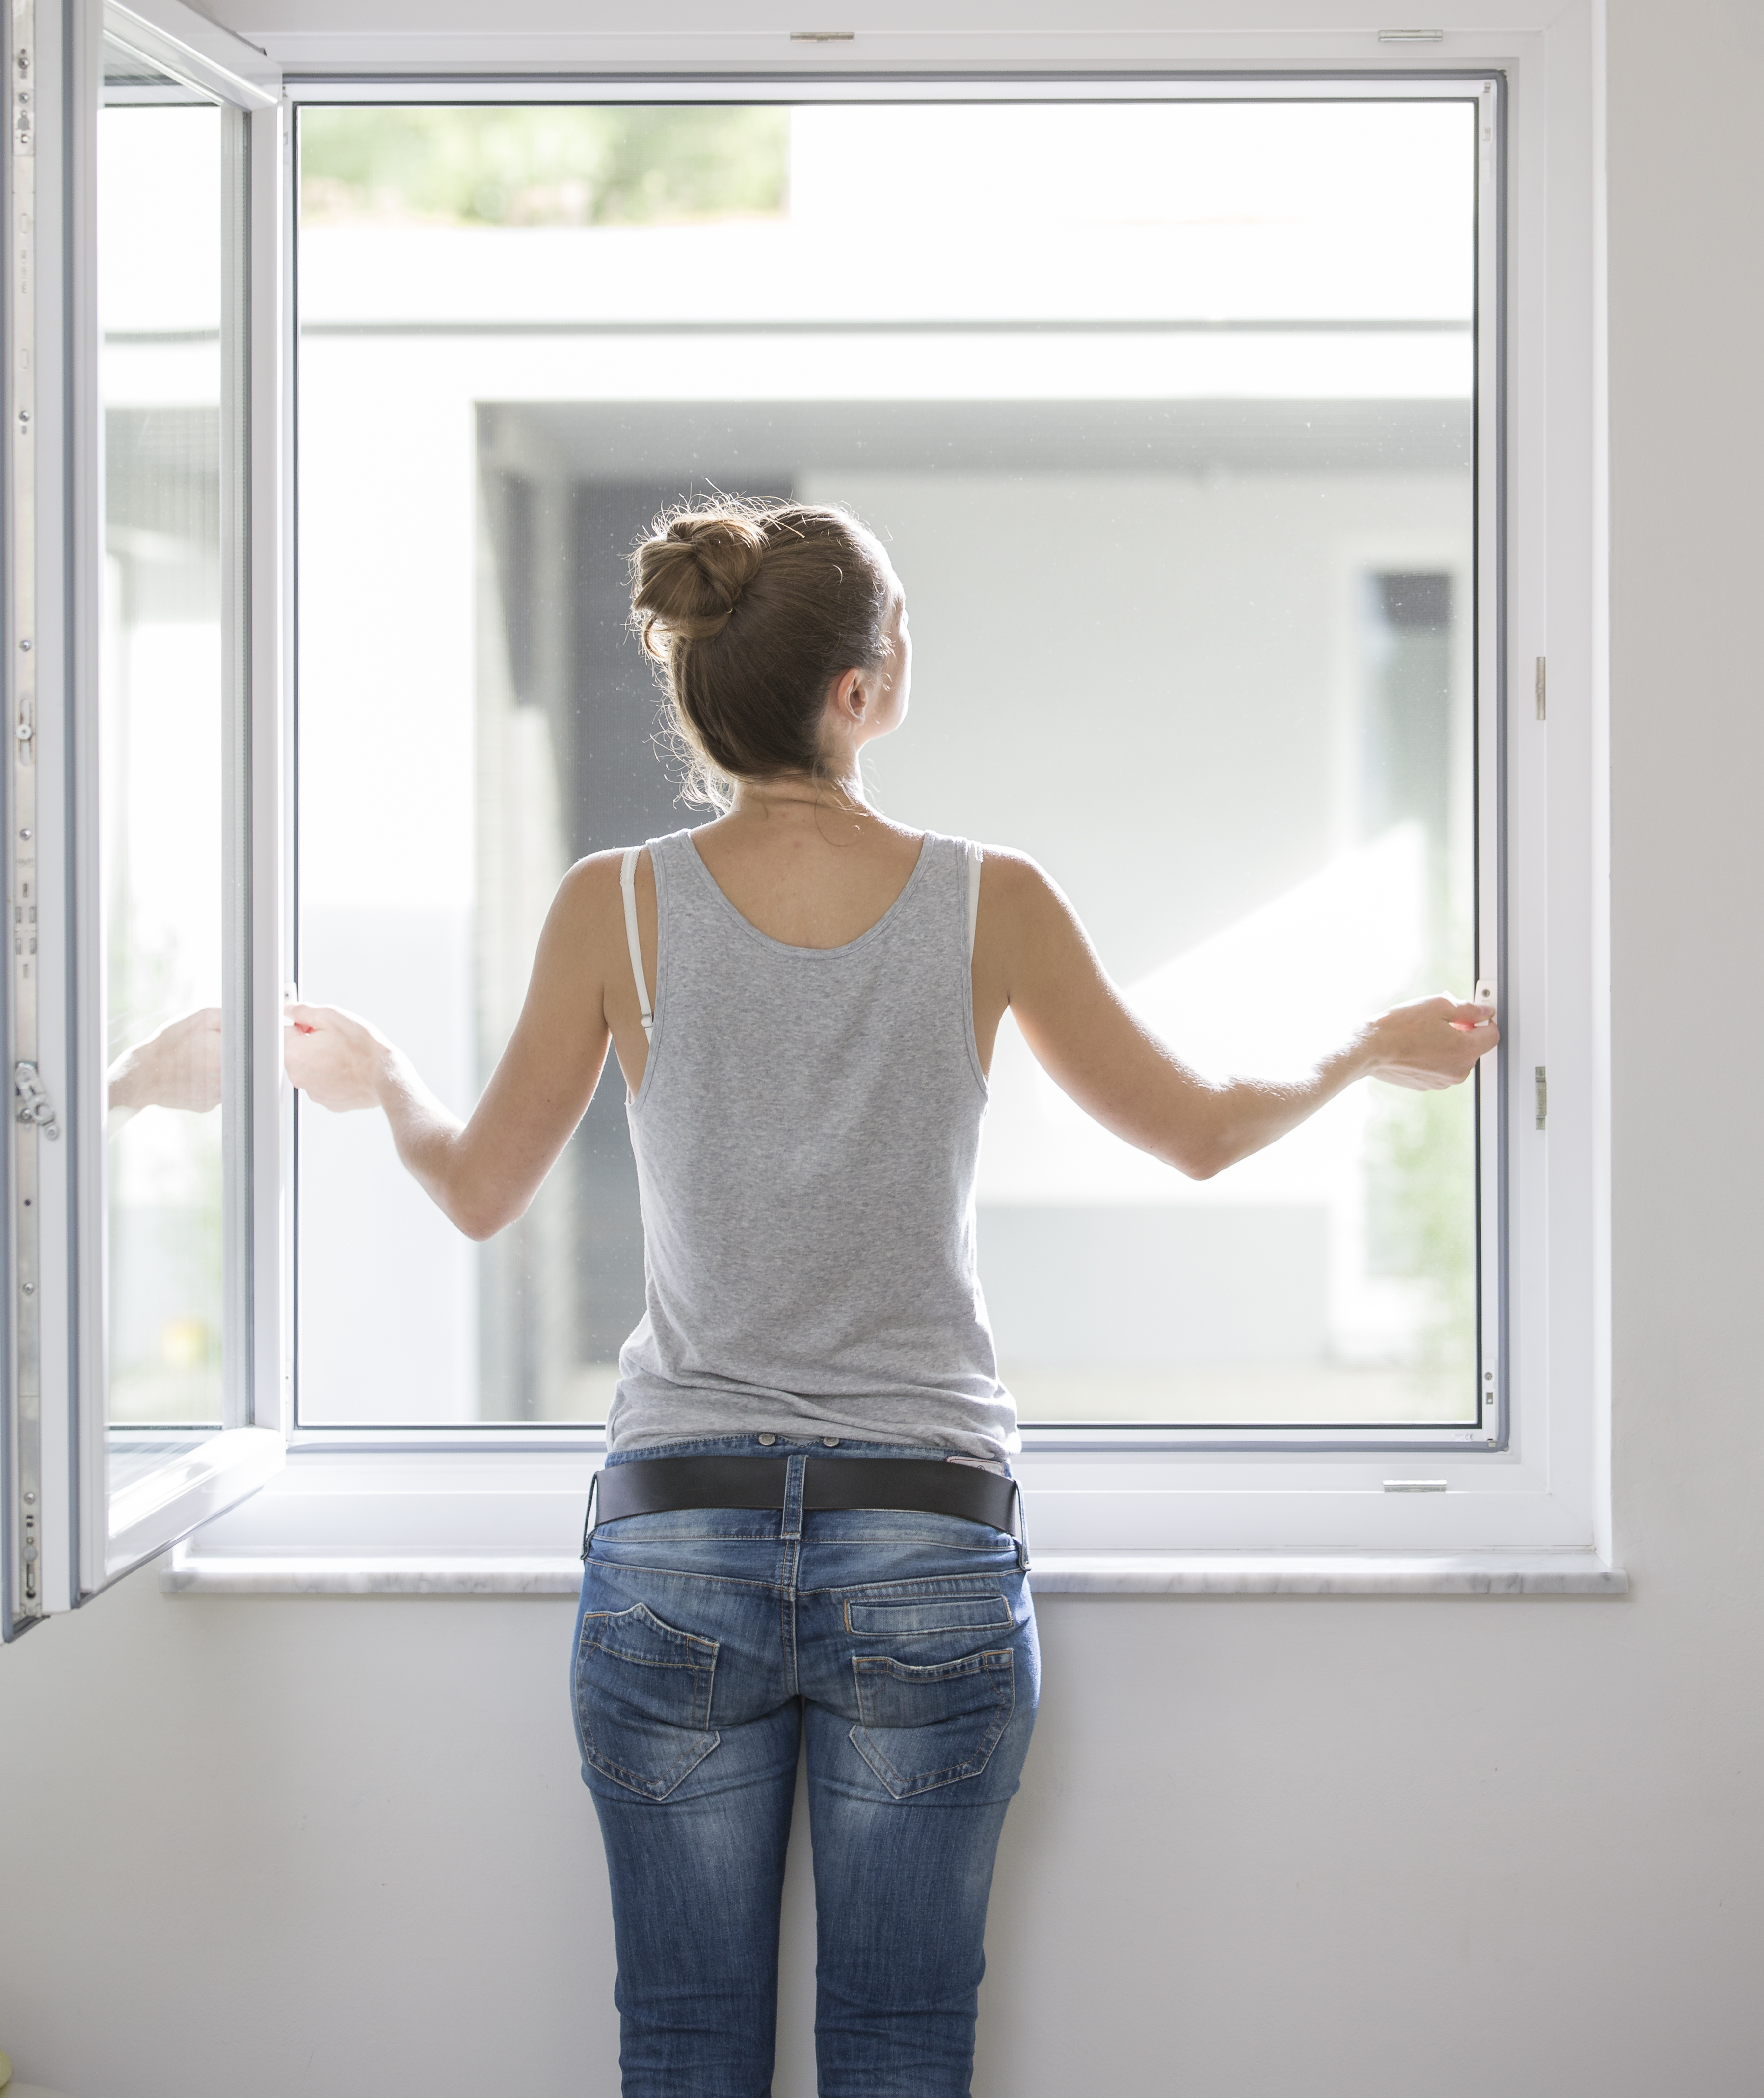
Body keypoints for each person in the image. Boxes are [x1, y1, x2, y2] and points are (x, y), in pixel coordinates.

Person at [285, 496, 1497, 2098]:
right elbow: (1201, 1129)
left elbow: (476, 1188)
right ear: (854, 691)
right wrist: (1355, 1053)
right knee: (901, 2044)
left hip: (670, 1545)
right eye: (901, 626)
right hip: (924, 1537)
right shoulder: (988, 897)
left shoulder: (615, 904)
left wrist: (384, 1082)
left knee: (684, 2043)